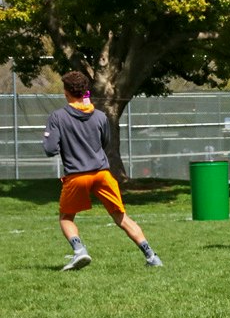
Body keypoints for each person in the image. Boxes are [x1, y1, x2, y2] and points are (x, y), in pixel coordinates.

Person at [42, 70, 163, 270]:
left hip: (77, 175)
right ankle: (152, 256)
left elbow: (49, 149)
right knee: (121, 216)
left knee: (66, 217)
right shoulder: (99, 116)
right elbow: (105, 142)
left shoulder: (57, 116)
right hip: (102, 173)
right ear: (85, 91)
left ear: (66, 92)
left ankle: (80, 251)